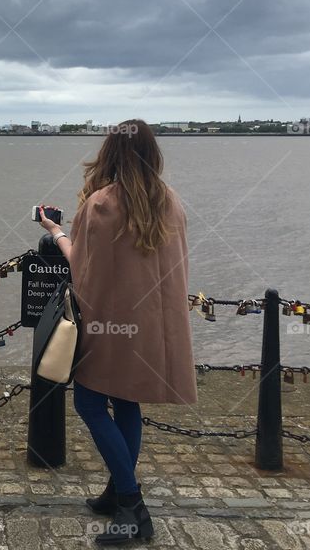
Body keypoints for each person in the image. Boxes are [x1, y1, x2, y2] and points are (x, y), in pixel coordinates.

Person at [39, 119, 195, 545]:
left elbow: (82, 270)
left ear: (111, 151)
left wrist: (56, 233)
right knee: (127, 403)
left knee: (89, 404)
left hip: (109, 323)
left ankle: (131, 503)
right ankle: (115, 489)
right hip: (152, 328)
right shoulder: (171, 201)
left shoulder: (102, 204)